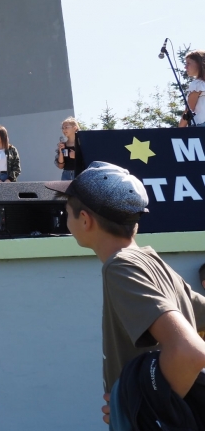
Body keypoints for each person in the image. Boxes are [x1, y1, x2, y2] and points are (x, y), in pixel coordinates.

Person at [45, 162, 205, 427]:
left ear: (85, 219)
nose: (66, 220)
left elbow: (191, 351)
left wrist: (143, 412)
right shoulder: (151, 261)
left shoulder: (120, 267)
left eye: (67, 212)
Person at [179, 49, 205, 127]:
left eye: (188, 63)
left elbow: (189, 110)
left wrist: (178, 130)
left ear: (199, 64)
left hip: (199, 127)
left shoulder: (197, 84)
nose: (185, 67)